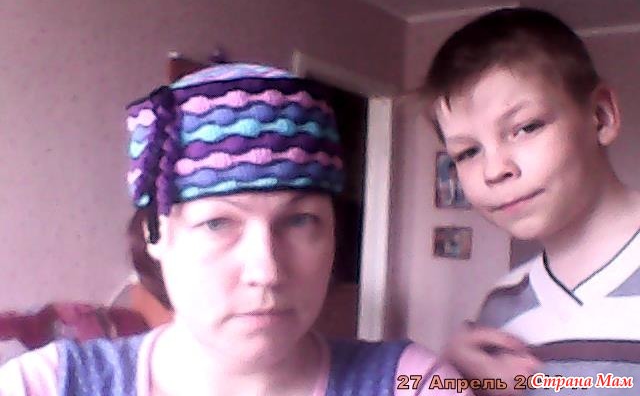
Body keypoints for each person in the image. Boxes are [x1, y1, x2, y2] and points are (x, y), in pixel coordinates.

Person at [0, 63, 469, 395]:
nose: (267, 272)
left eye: (300, 220)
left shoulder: (414, 384)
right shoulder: (42, 386)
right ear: (154, 235)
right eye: (217, 222)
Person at [423, 8, 640, 393]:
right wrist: (451, 379)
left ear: (601, 116)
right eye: (468, 152)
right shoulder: (498, 311)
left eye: (525, 128)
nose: (494, 170)